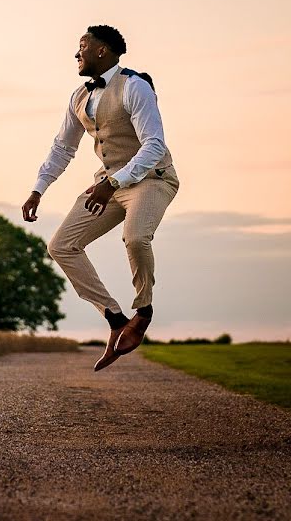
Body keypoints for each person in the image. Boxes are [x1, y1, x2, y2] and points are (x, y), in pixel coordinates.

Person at [22, 25, 179, 372]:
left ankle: (143, 311)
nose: (76, 54)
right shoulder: (79, 96)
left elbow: (154, 145)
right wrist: (38, 188)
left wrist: (115, 181)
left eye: (82, 47)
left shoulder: (134, 86)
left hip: (152, 178)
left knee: (136, 237)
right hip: (108, 184)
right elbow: (62, 148)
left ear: (102, 51)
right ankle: (114, 317)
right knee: (61, 245)